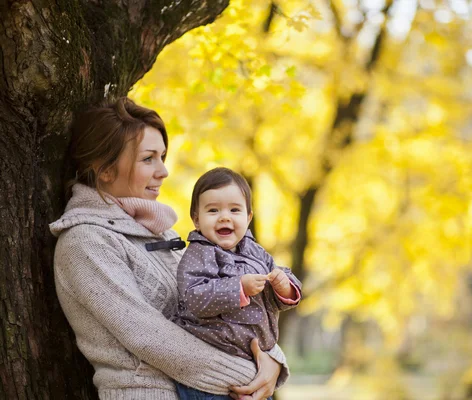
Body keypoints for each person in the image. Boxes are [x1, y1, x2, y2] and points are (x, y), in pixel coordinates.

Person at [50, 97, 289, 400]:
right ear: (106, 169)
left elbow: (227, 307)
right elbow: (148, 336)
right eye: (148, 158)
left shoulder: (162, 232)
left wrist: (272, 359)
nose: (163, 171)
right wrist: (250, 373)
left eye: (162, 156)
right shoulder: (86, 243)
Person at [172, 167, 302, 400]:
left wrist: (285, 287)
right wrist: (238, 287)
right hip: (210, 375)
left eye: (234, 210)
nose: (225, 217)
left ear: (248, 217)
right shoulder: (199, 254)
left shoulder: (255, 252)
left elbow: (273, 291)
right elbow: (194, 297)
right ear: (196, 219)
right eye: (213, 210)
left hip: (252, 368)